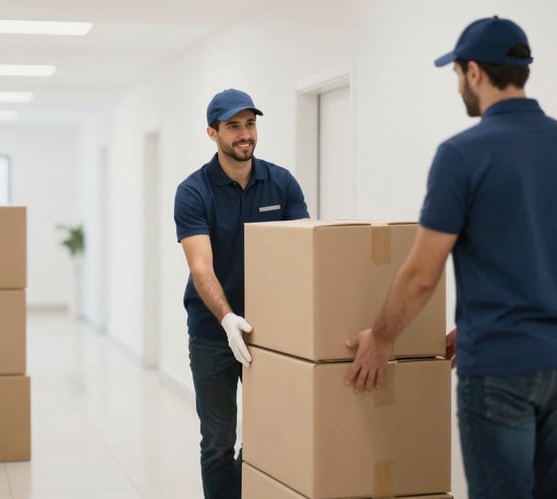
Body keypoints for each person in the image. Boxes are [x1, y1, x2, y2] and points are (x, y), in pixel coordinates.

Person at [344, 16, 557, 499]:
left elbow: (422, 273)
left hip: (500, 367)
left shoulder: (463, 154)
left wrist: (380, 337)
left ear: (476, 72)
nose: (458, 83)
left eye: (458, 72)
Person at [174, 88, 309, 498]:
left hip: (272, 334)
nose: (244, 134)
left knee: (267, 437)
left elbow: (302, 255)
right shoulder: (194, 191)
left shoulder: (281, 183)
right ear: (212, 133)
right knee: (218, 442)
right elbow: (201, 266)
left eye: (250, 124)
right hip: (214, 332)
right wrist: (227, 318)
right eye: (233, 126)